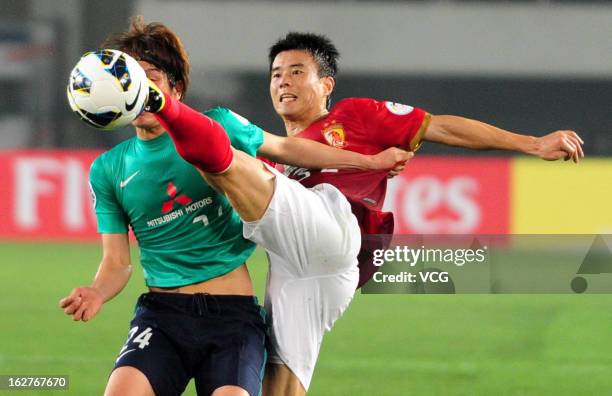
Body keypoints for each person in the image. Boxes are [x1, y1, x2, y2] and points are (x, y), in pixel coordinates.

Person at [59, 19, 408, 396]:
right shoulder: (109, 169)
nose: (138, 89)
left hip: (232, 317)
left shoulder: (219, 125)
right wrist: (97, 291)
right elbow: (117, 262)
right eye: (129, 79)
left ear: (174, 86)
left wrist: (369, 162)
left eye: (150, 78)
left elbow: (286, 148)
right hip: (162, 317)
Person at [261, 32, 585, 395]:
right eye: (275, 74)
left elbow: (440, 126)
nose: (283, 81)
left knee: (236, 158)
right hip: (292, 265)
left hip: (336, 246)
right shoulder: (273, 156)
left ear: (326, 85)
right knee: (279, 380)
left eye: (296, 71)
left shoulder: (353, 115)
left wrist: (532, 143)